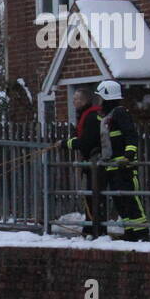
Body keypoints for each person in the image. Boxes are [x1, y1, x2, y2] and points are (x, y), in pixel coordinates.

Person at [94, 79, 150, 242]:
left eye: (100, 98)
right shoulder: (108, 117)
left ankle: (141, 232)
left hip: (123, 166)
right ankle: (130, 231)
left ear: (107, 97)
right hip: (112, 166)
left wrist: (129, 155)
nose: (98, 102)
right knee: (120, 201)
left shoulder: (120, 113)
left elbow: (130, 134)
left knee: (130, 199)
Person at [65, 86, 105, 237]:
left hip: (96, 162)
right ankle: (90, 227)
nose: (74, 102)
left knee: (93, 195)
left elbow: (86, 141)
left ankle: (95, 229)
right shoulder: (84, 116)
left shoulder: (91, 117)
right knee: (90, 195)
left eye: (77, 99)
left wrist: (66, 144)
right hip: (90, 162)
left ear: (85, 101)